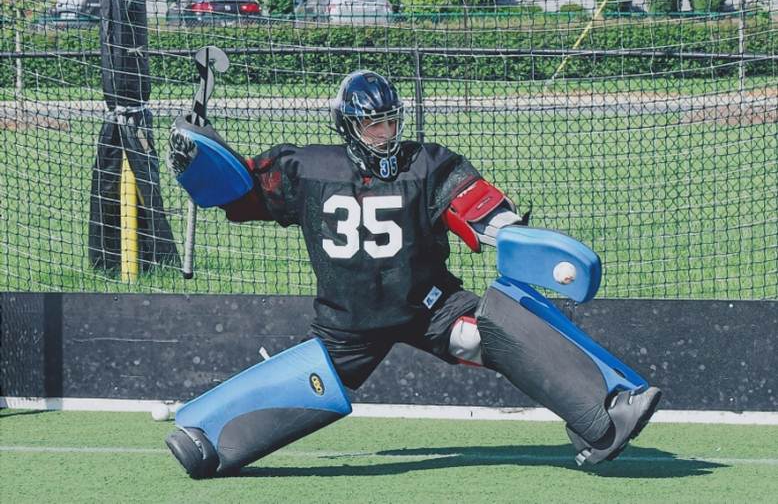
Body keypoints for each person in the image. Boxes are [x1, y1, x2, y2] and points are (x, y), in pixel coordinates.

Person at [164, 71, 661, 478]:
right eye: (371, 125)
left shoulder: (428, 164)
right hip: (348, 322)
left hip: (429, 304)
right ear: (347, 125)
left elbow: (481, 210)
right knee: (302, 389)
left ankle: (603, 413)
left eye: (389, 122)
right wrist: (197, 156)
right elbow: (237, 190)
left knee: (497, 325)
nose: (383, 134)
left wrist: (514, 236)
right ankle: (206, 435)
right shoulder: (306, 168)